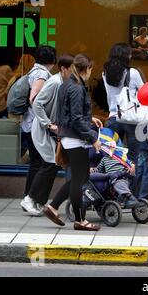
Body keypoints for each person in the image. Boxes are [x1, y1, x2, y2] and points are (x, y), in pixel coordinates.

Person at [43, 54, 103, 231]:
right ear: (86, 69)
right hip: (76, 139)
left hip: (69, 136)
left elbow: (70, 113)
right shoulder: (77, 88)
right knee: (78, 180)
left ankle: (53, 207)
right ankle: (80, 220)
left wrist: (90, 118)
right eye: (91, 69)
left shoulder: (67, 84)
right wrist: (93, 138)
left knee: (81, 176)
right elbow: (75, 119)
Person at [20, 54, 74, 216]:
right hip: (43, 129)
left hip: (51, 130)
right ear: (63, 68)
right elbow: (37, 103)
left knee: (52, 163)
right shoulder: (55, 82)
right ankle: (30, 199)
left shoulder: (64, 82)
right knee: (50, 162)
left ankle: (38, 201)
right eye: (73, 69)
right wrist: (48, 124)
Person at [20, 45, 56, 209]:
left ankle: (30, 197)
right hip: (35, 124)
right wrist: (45, 121)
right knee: (40, 162)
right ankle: (30, 198)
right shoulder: (41, 74)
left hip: (29, 123)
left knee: (37, 161)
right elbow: (34, 99)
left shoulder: (34, 71)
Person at [103, 43, 144, 184]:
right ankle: (130, 193)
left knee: (113, 156)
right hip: (131, 119)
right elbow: (144, 93)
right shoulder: (133, 73)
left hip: (113, 118)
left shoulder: (105, 73)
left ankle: (114, 190)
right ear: (126, 56)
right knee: (133, 158)